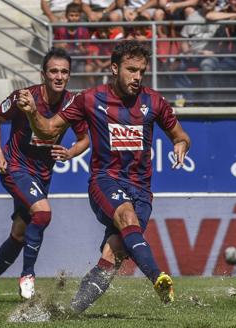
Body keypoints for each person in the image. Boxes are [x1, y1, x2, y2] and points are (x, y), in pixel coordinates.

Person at [17, 40, 191, 313]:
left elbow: (180, 136)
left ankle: (72, 310)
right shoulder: (89, 98)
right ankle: (158, 277)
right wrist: (32, 113)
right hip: (105, 180)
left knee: (115, 252)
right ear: (113, 68)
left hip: (142, 190)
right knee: (126, 216)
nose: (137, 77)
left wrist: (181, 146)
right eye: (131, 70)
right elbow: (48, 131)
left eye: (141, 71)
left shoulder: (153, 101)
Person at [0, 48, 89, 303]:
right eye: (54, 71)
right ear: (43, 74)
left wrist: (70, 153)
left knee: (19, 233)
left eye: (64, 72)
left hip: (42, 174)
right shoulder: (24, 97)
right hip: (15, 167)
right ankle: (28, 275)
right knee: (43, 213)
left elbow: (84, 140)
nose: (59, 77)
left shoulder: (73, 103)